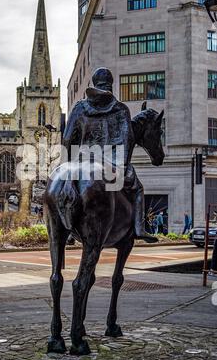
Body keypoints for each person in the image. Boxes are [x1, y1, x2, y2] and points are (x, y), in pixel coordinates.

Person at [63, 67, 157, 243]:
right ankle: (139, 228)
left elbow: (67, 139)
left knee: (67, 189)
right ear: (111, 85)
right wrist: (122, 165)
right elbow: (128, 139)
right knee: (138, 188)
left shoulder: (79, 108)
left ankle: (68, 231)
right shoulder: (121, 109)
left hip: (81, 159)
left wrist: (69, 162)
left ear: (93, 83)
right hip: (109, 162)